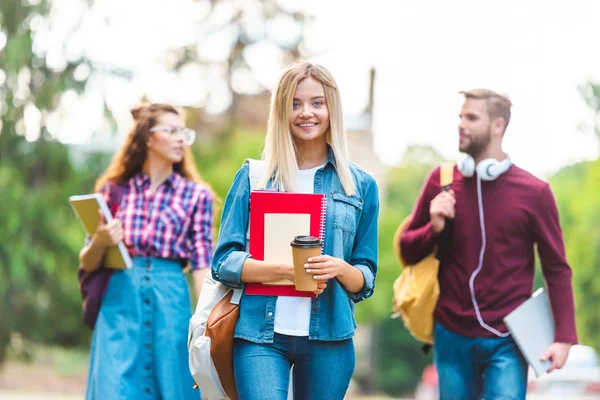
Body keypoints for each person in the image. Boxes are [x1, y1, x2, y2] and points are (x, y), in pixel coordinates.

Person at [211, 61, 379, 400]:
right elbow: (224, 262)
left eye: (317, 102)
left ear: (332, 107)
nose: (306, 113)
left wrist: (341, 268)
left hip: (330, 338)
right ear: (281, 112)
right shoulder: (254, 179)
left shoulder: (360, 185)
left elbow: (367, 276)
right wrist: (286, 271)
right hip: (260, 336)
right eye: (295, 103)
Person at [400, 89, 578, 400]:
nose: (461, 124)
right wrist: (434, 227)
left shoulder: (534, 193)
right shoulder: (441, 182)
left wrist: (564, 337)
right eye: (460, 117)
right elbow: (406, 250)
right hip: (451, 334)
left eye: (471, 118)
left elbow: (557, 268)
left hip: (508, 339)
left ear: (497, 126)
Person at [79, 103, 215, 400]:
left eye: (184, 132)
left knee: (173, 387)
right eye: (171, 130)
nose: (180, 138)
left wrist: (207, 321)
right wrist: (101, 241)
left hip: (172, 304)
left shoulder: (197, 195)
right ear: (147, 138)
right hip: (119, 303)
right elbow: (87, 262)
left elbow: (202, 264)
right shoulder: (113, 191)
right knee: (113, 388)